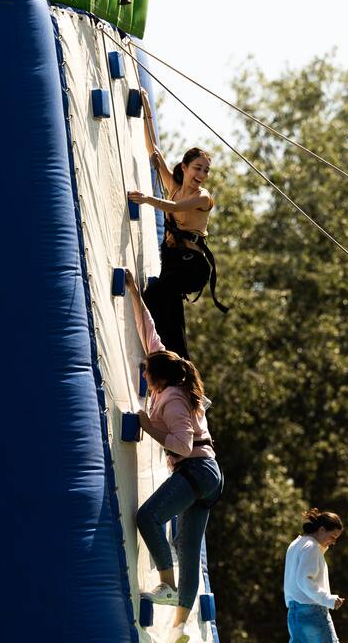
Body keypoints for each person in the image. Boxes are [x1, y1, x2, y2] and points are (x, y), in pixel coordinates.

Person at [126, 272, 224, 643]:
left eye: (149, 376)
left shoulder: (174, 399)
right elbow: (151, 336)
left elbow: (182, 444)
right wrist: (136, 295)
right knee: (189, 548)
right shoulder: (171, 378)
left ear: (159, 379)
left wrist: (147, 425)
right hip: (208, 474)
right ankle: (181, 628)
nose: (146, 377)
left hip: (196, 467)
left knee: (148, 517)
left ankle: (165, 585)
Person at [127, 89, 228, 360]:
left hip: (192, 266)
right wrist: (147, 107)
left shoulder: (202, 197)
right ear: (184, 167)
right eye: (197, 168)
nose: (202, 175)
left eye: (205, 170)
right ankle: (175, 361)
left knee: (160, 293)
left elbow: (173, 208)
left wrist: (147, 199)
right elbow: (154, 152)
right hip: (174, 262)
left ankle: (177, 362)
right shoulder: (174, 185)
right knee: (163, 303)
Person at [284, 508, 345, 643]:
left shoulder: (296, 544)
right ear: (322, 530)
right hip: (312, 611)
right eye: (332, 536)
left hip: (294, 612)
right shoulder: (312, 547)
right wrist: (328, 599)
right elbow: (305, 580)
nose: (333, 542)